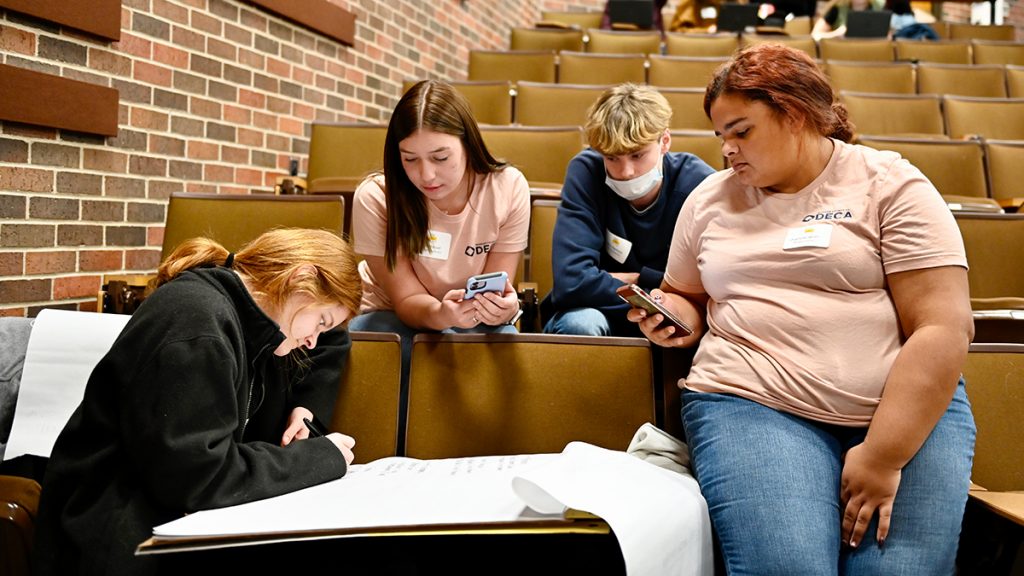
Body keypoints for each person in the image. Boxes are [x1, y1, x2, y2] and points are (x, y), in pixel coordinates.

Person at [628, 44, 975, 574]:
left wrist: (883, 455)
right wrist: (671, 316)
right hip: (754, 401)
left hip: (902, 407)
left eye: (741, 131)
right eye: (721, 136)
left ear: (794, 115)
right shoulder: (709, 199)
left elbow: (943, 326)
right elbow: (688, 295)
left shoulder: (890, 183)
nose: (727, 150)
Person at [32, 228, 363, 575]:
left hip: (169, 513)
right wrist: (322, 456)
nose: (313, 342)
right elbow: (200, 477)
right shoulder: (197, 325)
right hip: (116, 530)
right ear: (299, 279)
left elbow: (333, 340)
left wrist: (305, 407)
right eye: (320, 322)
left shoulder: (260, 317)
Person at [348, 79, 529, 407]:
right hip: (390, 314)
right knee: (374, 339)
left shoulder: (508, 187)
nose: (426, 175)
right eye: (410, 159)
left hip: (469, 317)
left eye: (440, 157)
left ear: (468, 144)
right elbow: (407, 300)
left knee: (505, 343)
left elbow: (499, 284)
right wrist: (443, 316)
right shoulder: (376, 196)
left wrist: (503, 308)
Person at [542, 83, 714, 337]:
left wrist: (632, 279)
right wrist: (657, 283)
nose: (625, 172)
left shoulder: (699, 183)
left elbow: (707, 287)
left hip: (674, 316)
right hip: (598, 312)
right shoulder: (586, 171)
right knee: (582, 324)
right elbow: (572, 282)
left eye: (637, 155)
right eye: (612, 158)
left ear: (664, 141)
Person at [812, 0, 885, 39]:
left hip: (872, 55)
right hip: (845, 55)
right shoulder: (837, 7)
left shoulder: (880, 6)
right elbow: (815, 35)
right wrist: (835, 34)